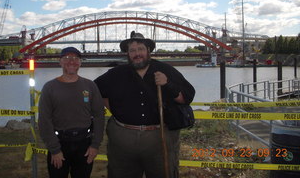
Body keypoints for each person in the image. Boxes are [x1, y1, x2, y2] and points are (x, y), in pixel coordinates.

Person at [94, 31, 195, 178]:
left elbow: (186, 97)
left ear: (148, 51)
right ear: (127, 54)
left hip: (159, 137)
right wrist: (115, 109)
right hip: (122, 139)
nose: (137, 54)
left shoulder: (165, 70)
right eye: (132, 50)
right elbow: (94, 91)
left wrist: (168, 84)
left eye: (140, 49)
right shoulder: (116, 74)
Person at [38, 46, 105, 178]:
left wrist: (95, 145)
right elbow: (44, 120)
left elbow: (99, 116)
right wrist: (55, 150)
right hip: (59, 144)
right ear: (60, 62)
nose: (71, 61)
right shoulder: (49, 87)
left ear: (80, 62)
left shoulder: (90, 86)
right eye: (67, 58)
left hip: (84, 145)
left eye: (75, 58)